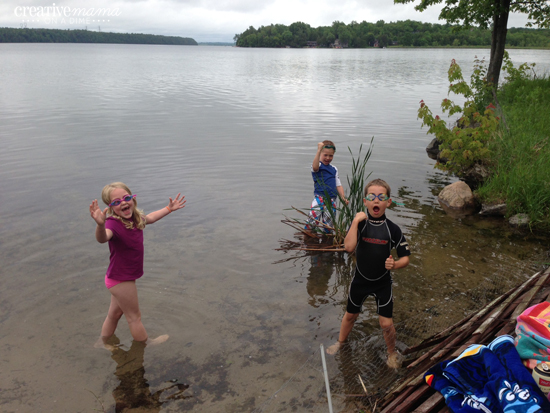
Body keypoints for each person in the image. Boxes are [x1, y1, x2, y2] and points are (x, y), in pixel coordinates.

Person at [326, 178, 410, 369]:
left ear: (388, 202)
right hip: (360, 280)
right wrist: (355, 221)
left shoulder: (393, 229)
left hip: (383, 282)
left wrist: (395, 264)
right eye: (371, 197)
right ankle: (340, 343)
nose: (376, 200)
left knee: (386, 323)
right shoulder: (361, 225)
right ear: (365, 201)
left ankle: (391, 352)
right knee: (350, 316)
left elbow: (405, 258)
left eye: (381, 197)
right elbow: (348, 247)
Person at [89, 182, 186, 348]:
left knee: (114, 314)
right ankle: (146, 343)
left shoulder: (135, 219)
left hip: (117, 277)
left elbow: (151, 218)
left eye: (126, 198)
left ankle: (102, 342)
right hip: (121, 279)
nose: (123, 203)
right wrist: (100, 224)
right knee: (134, 317)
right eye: (116, 202)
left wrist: (169, 209)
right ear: (110, 207)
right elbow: (103, 238)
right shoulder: (112, 223)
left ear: (133, 199)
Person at [305, 140, 347, 233]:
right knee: (312, 221)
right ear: (320, 154)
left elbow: (338, 185)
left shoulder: (334, 169)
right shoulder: (318, 165)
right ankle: (308, 235)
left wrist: (343, 198)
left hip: (332, 200)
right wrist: (319, 150)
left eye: (330, 155)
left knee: (329, 225)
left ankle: (327, 237)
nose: (328, 158)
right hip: (319, 198)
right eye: (325, 155)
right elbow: (315, 167)